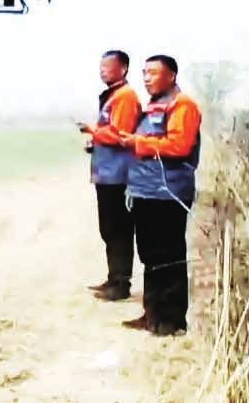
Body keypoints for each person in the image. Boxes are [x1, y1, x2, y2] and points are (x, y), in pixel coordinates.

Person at [118, 54, 204, 336]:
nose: (146, 78)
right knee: (150, 256)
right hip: (145, 192)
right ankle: (152, 314)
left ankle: (171, 321)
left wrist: (138, 142)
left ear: (171, 76)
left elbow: (179, 145)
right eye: (144, 73)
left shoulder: (183, 105)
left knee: (168, 256)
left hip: (168, 193)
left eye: (153, 73)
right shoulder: (153, 107)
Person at [78, 50, 141, 301]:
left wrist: (93, 130)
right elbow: (110, 134)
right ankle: (113, 277)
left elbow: (120, 135)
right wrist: (95, 142)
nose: (102, 71)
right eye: (101, 66)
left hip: (118, 176)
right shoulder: (113, 96)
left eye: (107, 66)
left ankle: (121, 284)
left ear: (123, 69)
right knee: (109, 229)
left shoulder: (125, 97)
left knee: (119, 229)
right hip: (106, 174)